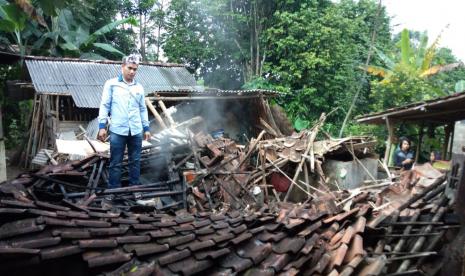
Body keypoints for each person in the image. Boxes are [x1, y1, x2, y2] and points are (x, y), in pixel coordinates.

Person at [98, 54, 151, 189]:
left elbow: (142, 109)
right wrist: (102, 126)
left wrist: (146, 128)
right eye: (130, 68)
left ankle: (134, 187)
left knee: (135, 161)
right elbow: (105, 105)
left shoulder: (139, 87)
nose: (132, 71)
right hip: (117, 130)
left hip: (136, 131)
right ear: (122, 67)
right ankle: (113, 190)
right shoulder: (111, 84)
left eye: (135, 69)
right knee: (115, 162)